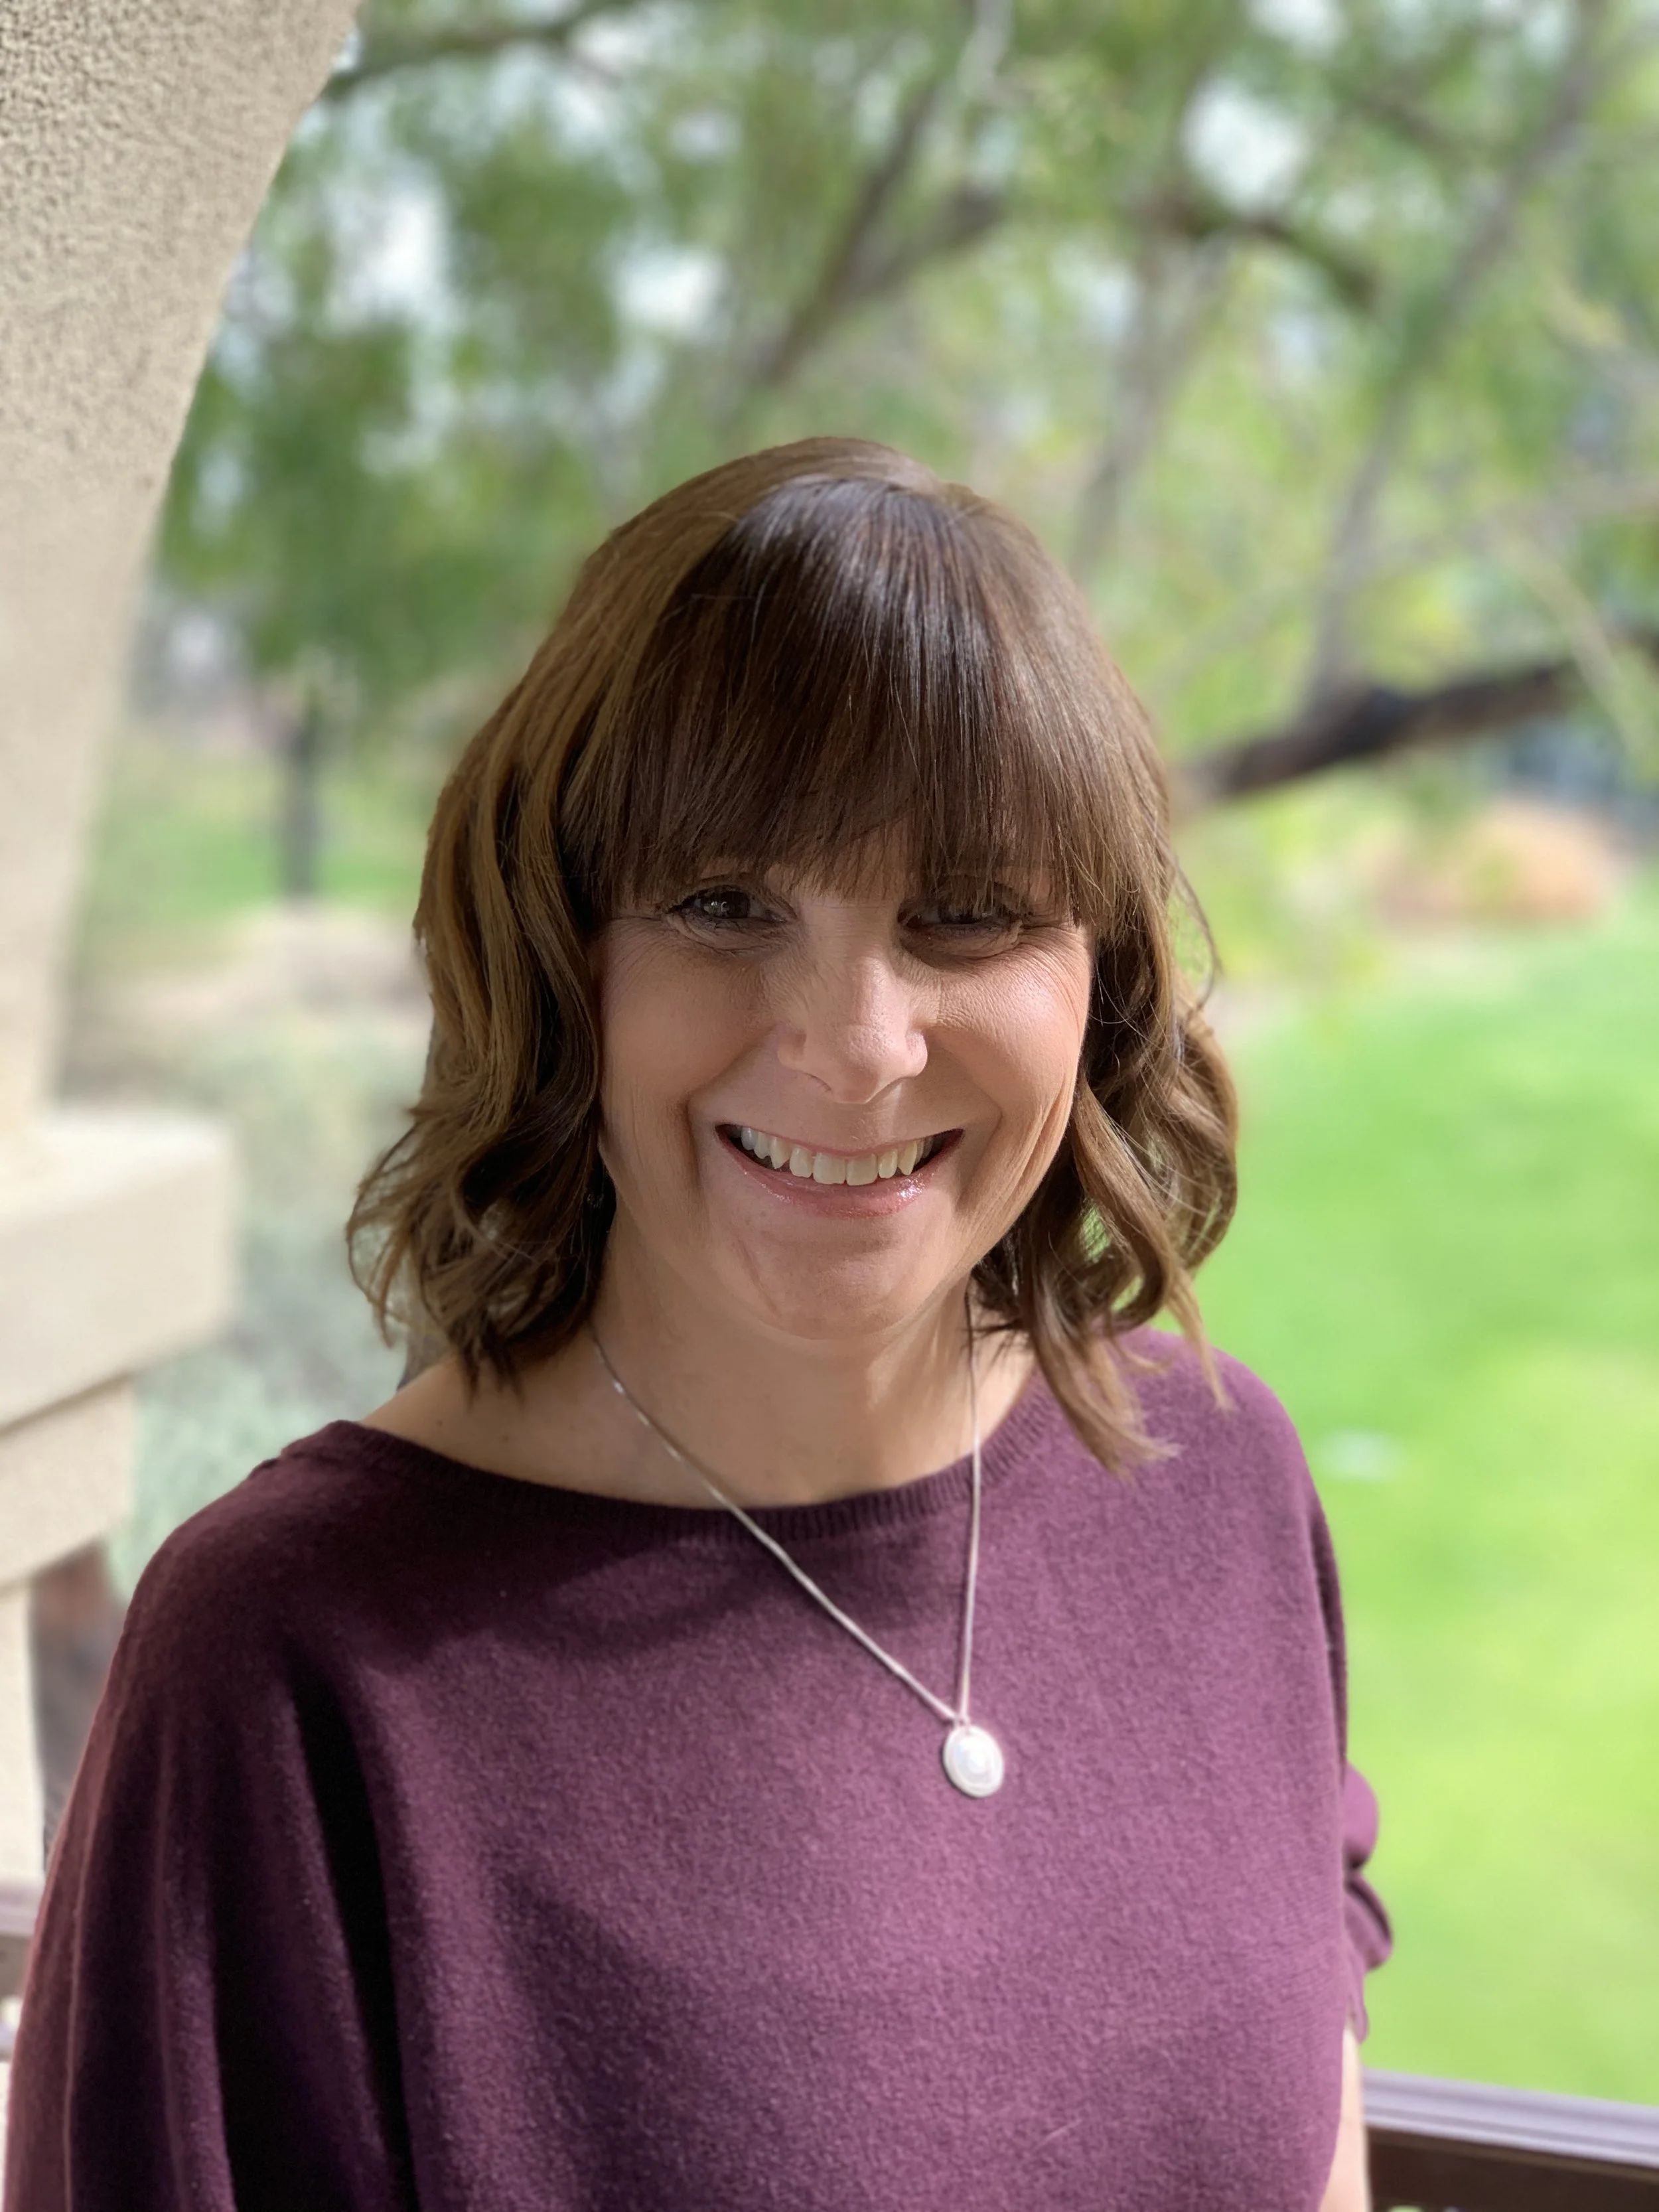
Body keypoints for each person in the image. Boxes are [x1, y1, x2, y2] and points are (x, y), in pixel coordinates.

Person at [5, 437, 1391, 2211]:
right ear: (558, 949)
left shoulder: (1222, 1490)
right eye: (724, 904)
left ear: (1096, 973)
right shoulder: (288, 1659)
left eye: (962, 914)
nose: (855, 1039)